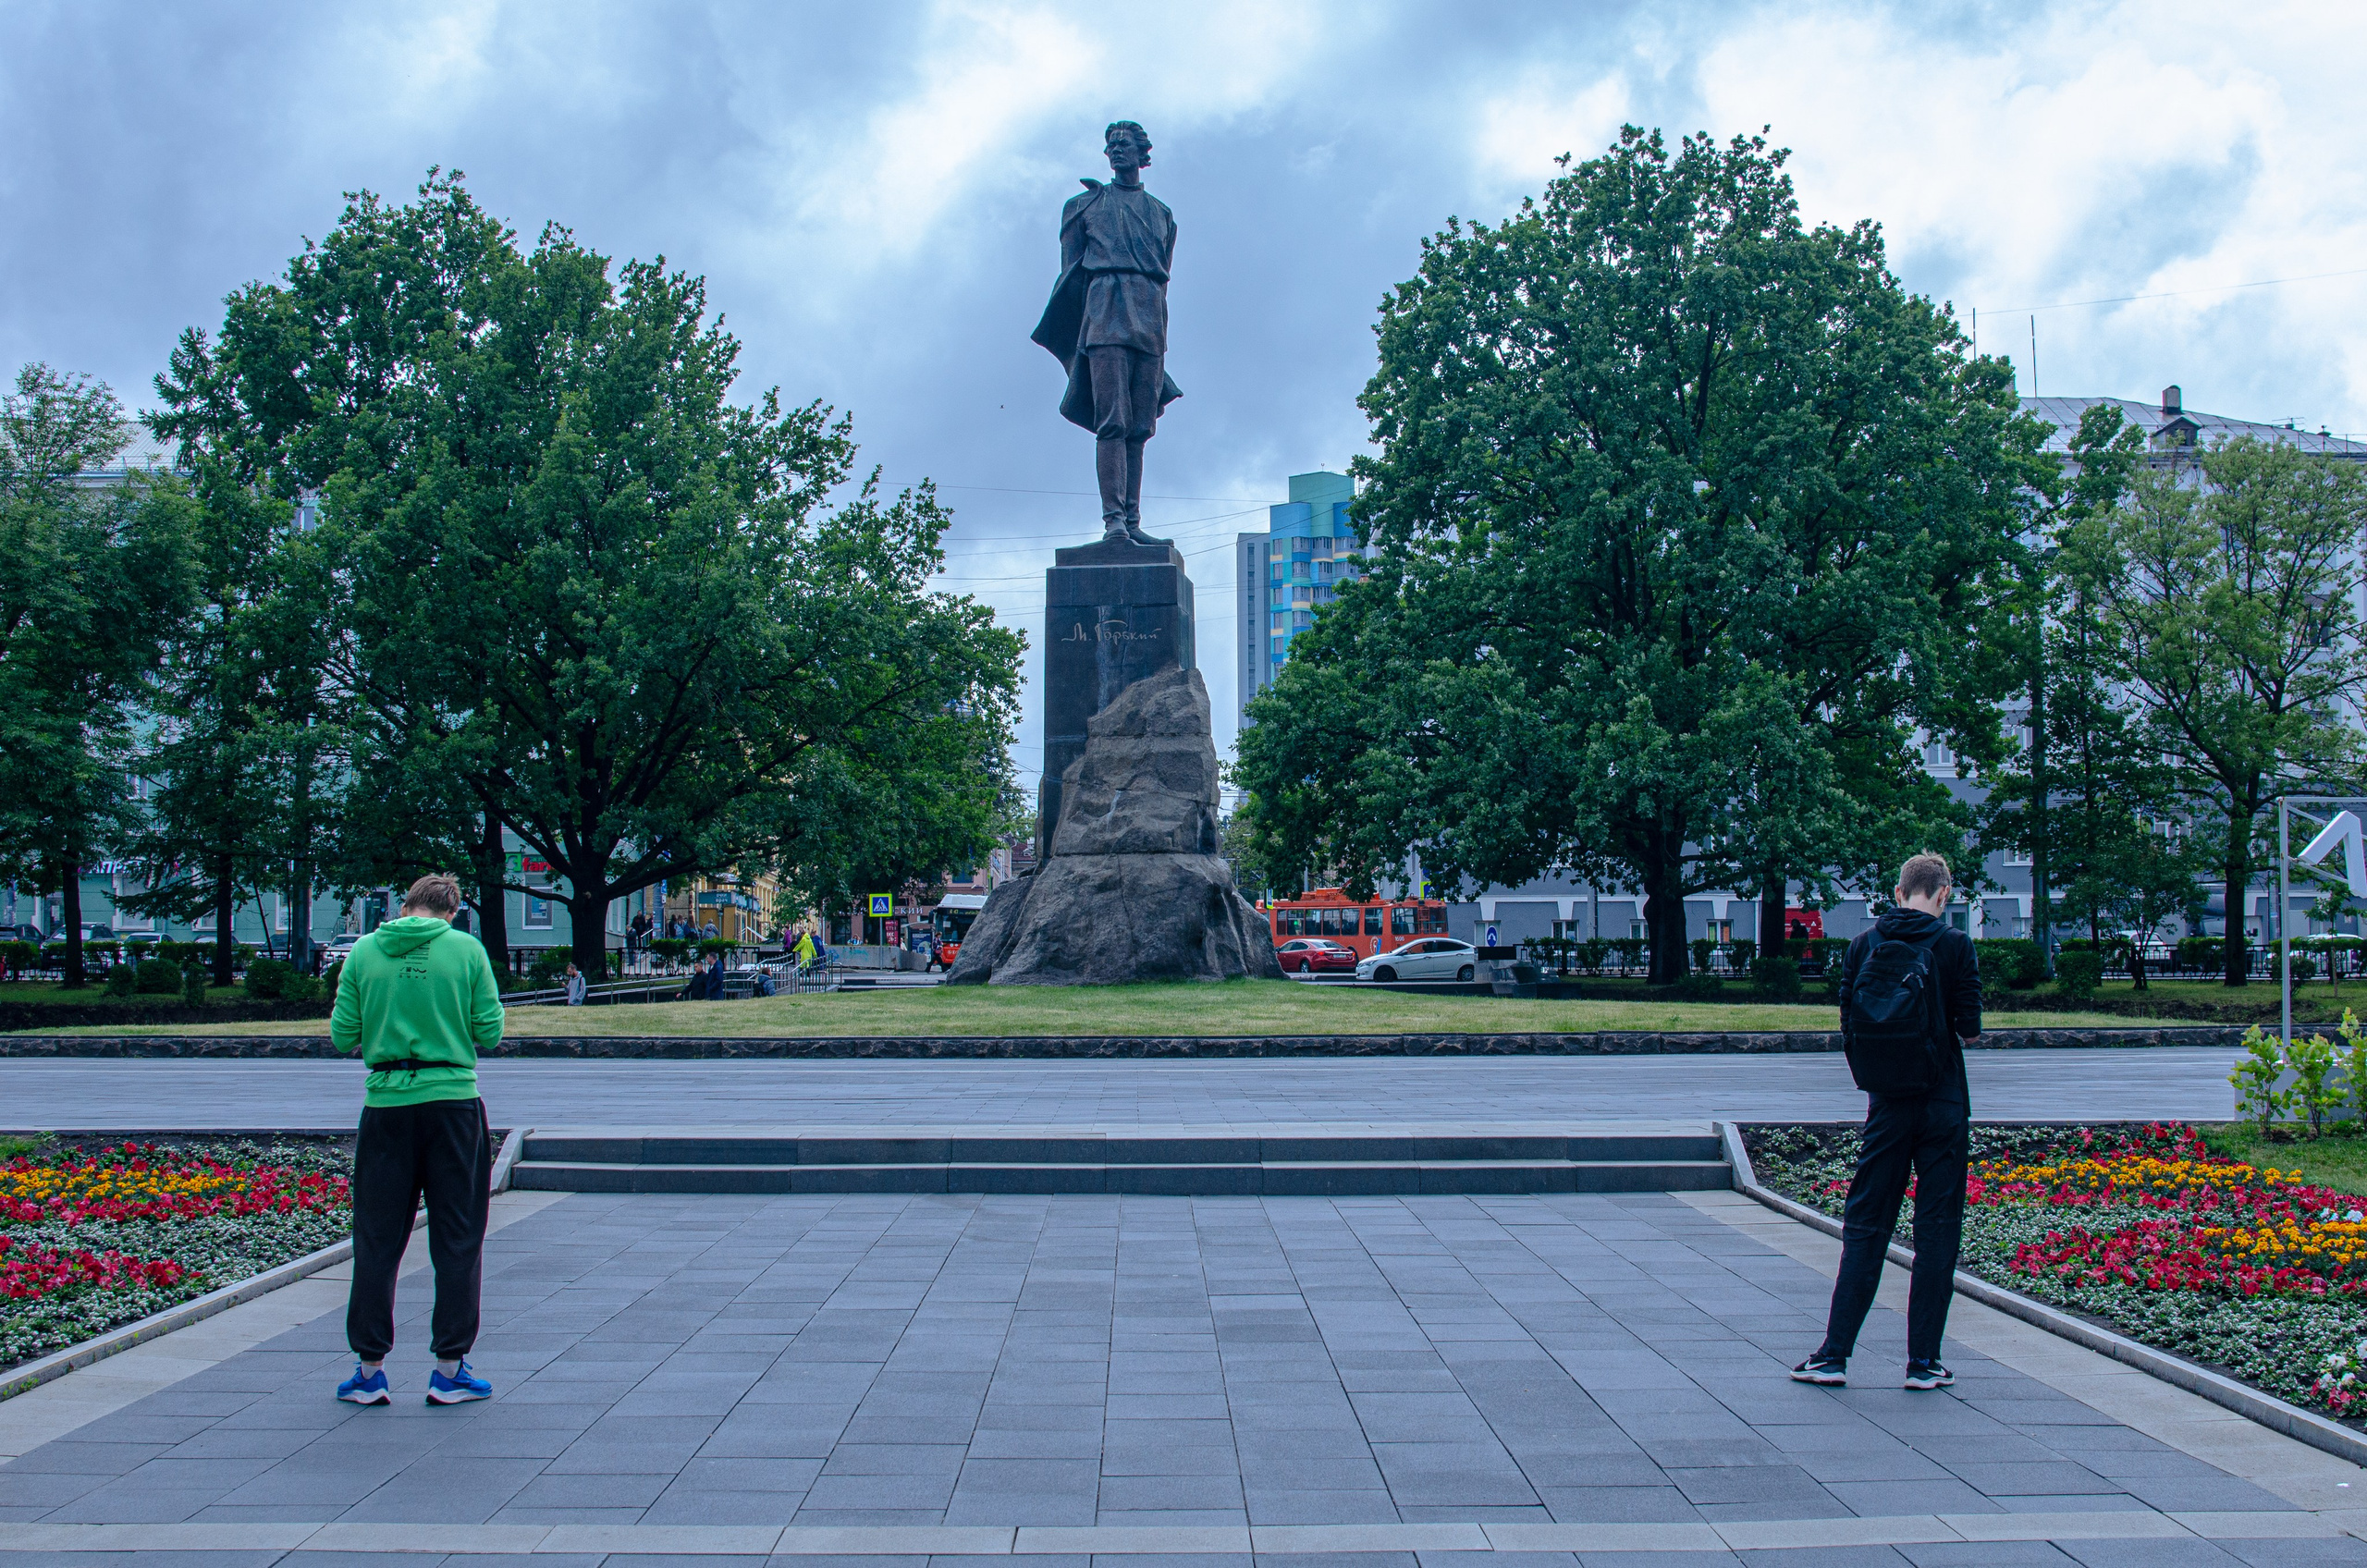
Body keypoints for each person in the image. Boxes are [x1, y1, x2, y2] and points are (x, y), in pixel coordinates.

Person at [1792, 852, 1981, 1392]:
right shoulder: (1955, 946)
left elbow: (1850, 1020)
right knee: (1937, 1230)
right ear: (1942, 895)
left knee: (1867, 1227)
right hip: (1943, 1104)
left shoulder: (1863, 945)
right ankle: (1923, 1362)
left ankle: (1833, 1355)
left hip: (1885, 1106)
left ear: (1899, 892)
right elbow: (1969, 1029)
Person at [330, 872, 504, 1407]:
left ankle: (369, 1369)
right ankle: (448, 1369)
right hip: (452, 1103)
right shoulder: (466, 950)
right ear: (450, 911)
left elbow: (342, 1037)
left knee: (378, 1239)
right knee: (457, 1236)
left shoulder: (362, 952)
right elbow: (491, 1033)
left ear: (405, 906)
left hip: (386, 1107)